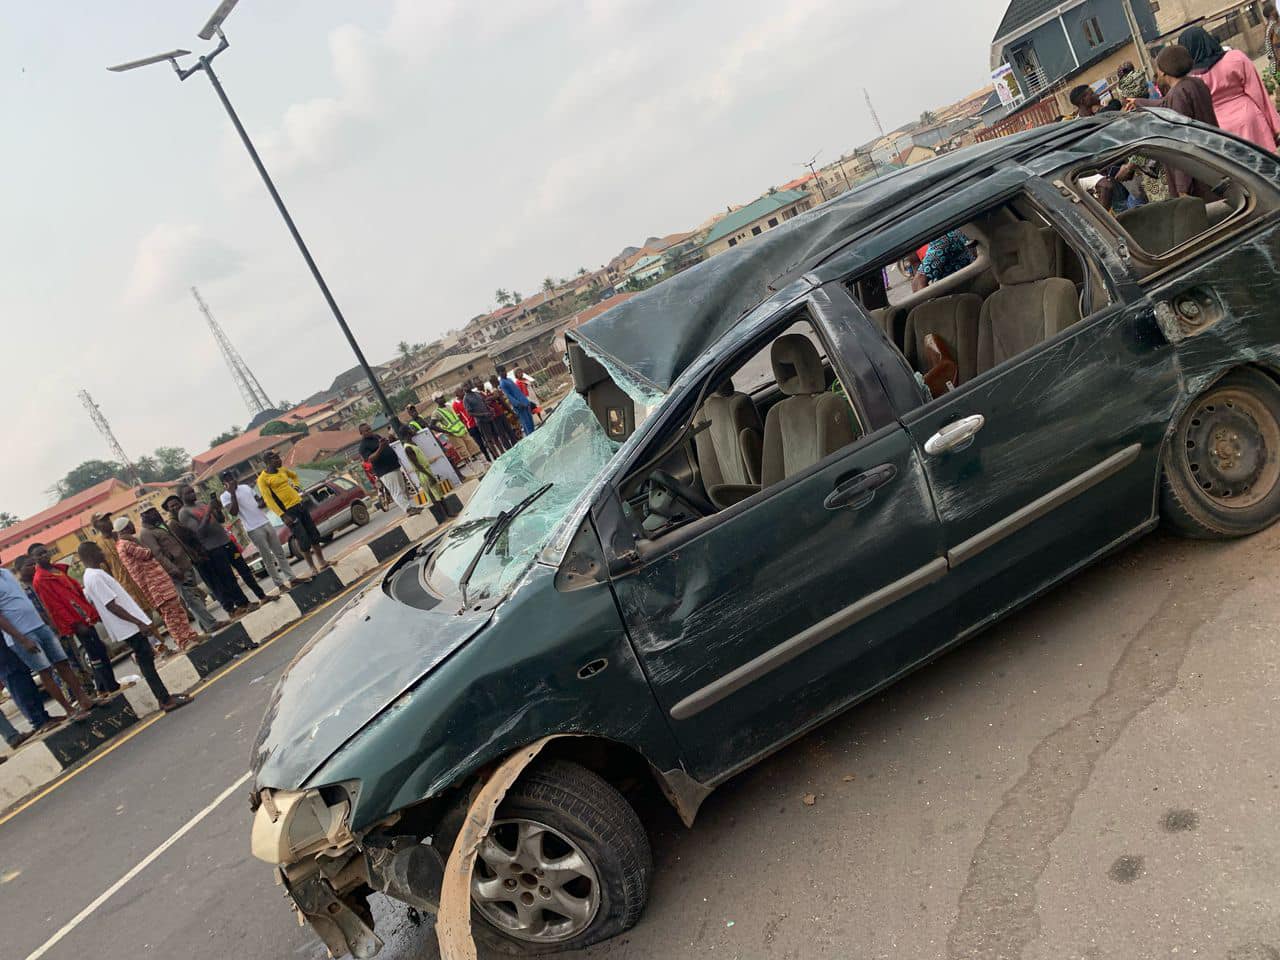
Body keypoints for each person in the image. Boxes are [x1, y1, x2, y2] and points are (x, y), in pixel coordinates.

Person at [78, 543, 190, 714]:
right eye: (99, 550)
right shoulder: (94, 577)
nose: (103, 552)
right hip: (128, 626)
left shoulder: (93, 575)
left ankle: (164, 696)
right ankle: (164, 699)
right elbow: (111, 605)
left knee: (147, 658)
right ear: (91, 554)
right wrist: (138, 622)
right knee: (145, 660)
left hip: (128, 625)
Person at [2, 562, 96, 721]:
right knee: (45, 671)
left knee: (63, 663)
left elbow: (26, 601)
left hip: (40, 626)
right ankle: (70, 711)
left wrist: (50, 624)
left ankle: (84, 700)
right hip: (23, 635)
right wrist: (22, 639)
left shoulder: (6, 573)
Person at [28, 542, 120, 700]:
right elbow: (54, 606)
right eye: (39, 554)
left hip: (85, 615)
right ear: (34, 559)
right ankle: (110, 685)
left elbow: (75, 590)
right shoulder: (40, 579)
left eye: (45, 551)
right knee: (95, 652)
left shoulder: (57, 569)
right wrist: (76, 624)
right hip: (76, 621)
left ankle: (103, 687)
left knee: (98, 649)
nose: (44, 555)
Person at [1128, 45, 1221, 198]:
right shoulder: (1194, 84)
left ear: (1163, 70)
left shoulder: (1179, 93)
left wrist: (1182, 186)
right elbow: (1165, 104)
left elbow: (1182, 139)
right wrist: (1138, 102)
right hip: (1213, 161)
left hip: (1197, 174)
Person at [1181, 25, 1280, 150]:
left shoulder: (1190, 79)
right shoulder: (1235, 58)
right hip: (1250, 120)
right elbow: (1258, 93)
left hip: (1221, 130)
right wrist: (1274, 126)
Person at [113, 516, 201, 651]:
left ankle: (191, 636)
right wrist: (136, 540)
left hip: (160, 581)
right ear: (125, 528)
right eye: (130, 524)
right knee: (170, 614)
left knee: (177, 609)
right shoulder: (126, 544)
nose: (133, 526)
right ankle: (183, 641)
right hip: (154, 585)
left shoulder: (126, 543)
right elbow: (147, 553)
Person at [176, 484, 257, 619]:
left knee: (244, 569)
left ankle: (257, 596)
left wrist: (217, 510)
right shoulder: (184, 513)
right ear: (181, 497)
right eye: (188, 493)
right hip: (213, 548)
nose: (192, 494)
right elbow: (199, 532)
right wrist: (208, 511)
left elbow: (220, 520)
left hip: (226, 542)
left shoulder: (201, 503)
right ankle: (243, 603)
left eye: (192, 491)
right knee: (228, 577)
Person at [138, 507, 221, 634]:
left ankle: (205, 625)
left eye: (155, 510)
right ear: (144, 515)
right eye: (151, 512)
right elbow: (158, 555)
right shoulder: (146, 533)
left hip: (185, 563)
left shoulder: (159, 526)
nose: (155, 513)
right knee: (191, 599)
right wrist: (173, 569)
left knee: (195, 597)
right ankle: (212, 624)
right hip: (177, 570)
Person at [223, 469, 306, 592]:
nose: (231, 480)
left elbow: (259, 501)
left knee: (280, 553)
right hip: (253, 529)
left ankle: (292, 579)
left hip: (265, 522)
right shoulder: (224, 496)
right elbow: (233, 512)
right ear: (224, 483)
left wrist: (264, 499)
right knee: (268, 558)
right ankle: (280, 585)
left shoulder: (245, 487)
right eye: (228, 479)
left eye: (232, 477)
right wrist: (233, 494)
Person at [257, 451, 332, 571]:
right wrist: (283, 515)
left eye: (278, 457)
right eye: (275, 458)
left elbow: (294, 476)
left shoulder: (282, 470)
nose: (279, 460)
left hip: (300, 505)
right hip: (289, 512)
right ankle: (312, 568)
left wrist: (296, 486)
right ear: (268, 462)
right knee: (303, 541)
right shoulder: (263, 479)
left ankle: (322, 562)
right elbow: (268, 500)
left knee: (314, 535)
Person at [90, 512, 153, 617]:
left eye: (108, 519)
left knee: (157, 604)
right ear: (97, 526)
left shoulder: (121, 535)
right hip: (125, 585)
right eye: (103, 521)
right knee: (142, 614)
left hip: (142, 576)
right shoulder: (98, 546)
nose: (108, 522)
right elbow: (106, 570)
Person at [358, 423, 422, 516]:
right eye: (366, 430)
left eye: (370, 429)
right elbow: (370, 458)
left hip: (394, 466)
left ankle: (411, 507)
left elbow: (384, 444)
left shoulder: (376, 436)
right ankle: (408, 509)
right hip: (385, 471)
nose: (369, 431)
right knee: (396, 491)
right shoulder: (363, 446)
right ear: (361, 433)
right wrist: (380, 447)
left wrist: (386, 442)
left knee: (403, 489)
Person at [398, 425, 443, 505]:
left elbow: (414, 433)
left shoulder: (412, 443)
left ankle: (447, 513)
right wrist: (429, 476)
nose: (412, 430)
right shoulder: (408, 448)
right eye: (410, 429)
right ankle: (444, 514)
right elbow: (417, 465)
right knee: (434, 497)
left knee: (438, 494)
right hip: (424, 473)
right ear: (407, 432)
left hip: (426, 471)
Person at [431, 394, 481, 461]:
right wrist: (446, 431)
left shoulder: (449, 406)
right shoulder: (436, 413)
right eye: (440, 398)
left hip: (462, 430)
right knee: (463, 452)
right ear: (436, 401)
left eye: (443, 397)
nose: (443, 399)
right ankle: (473, 469)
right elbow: (432, 425)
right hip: (453, 434)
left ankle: (484, 465)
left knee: (474, 448)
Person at [463, 380, 507, 457]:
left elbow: (484, 403)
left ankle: (503, 453)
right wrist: (483, 414)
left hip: (489, 417)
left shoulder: (477, 394)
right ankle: (497, 456)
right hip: (481, 421)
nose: (468, 386)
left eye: (469, 384)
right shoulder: (466, 399)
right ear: (463, 388)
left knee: (496, 437)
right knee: (489, 440)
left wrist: (490, 408)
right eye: (465, 385)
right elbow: (469, 413)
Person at [452, 387, 491, 462]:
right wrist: (465, 427)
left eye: (463, 391)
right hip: (471, 426)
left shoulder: (467, 399)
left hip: (478, 421)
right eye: (461, 392)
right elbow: (459, 418)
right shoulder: (455, 404)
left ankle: (493, 454)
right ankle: (487, 458)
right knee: (480, 443)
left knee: (487, 439)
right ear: (457, 394)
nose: (463, 392)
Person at [497, 365, 536, 437]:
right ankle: (531, 438)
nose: (504, 372)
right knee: (526, 423)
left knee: (531, 421)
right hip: (519, 406)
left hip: (524, 402)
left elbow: (518, 391)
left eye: (504, 370)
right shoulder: (503, 383)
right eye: (502, 372)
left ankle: (534, 436)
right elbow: (509, 396)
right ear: (499, 374)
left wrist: (526, 401)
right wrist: (518, 404)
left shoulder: (509, 380)